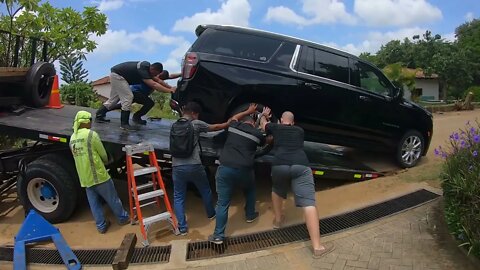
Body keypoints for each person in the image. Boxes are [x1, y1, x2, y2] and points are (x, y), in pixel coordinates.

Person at [260, 109, 334, 258]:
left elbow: (263, 125)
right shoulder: (300, 130)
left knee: (276, 190)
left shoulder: (275, 127)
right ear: (293, 122)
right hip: (300, 165)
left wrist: (264, 115)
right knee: (309, 203)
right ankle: (317, 247)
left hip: (279, 164)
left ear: (281, 120)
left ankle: (279, 220)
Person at [172, 101, 248, 235]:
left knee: (178, 196)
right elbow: (218, 126)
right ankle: (210, 214)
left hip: (177, 166)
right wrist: (234, 119)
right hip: (194, 165)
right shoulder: (195, 124)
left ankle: (182, 227)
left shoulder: (175, 125)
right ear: (194, 113)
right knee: (205, 190)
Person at [208, 104, 266, 244]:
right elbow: (266, 140)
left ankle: (218, 236)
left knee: (223, 203)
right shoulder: (257, 134)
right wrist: (263, 118)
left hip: (226, 168)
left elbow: (233, 118)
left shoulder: (234, 127)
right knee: (250, 190)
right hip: (245, 170)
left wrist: (248, 110)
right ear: (253, 123)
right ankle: (250, 215)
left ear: (243, 121)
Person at [69, 111, 129, 234]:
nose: (91, 123)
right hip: (98, 175)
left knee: (94, 204)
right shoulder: (91, 135)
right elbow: (102, 154)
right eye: (90, 120)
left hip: (85, 178)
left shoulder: (73, 138)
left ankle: (101, 226)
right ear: (85, 121)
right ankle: (123, 218)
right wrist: (107, 161)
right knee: (112, 198)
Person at [95, 61, 176, 130]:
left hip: (117, 75)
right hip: (118, 76)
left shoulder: (148, 68)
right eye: (156, 73)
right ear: (153, 69)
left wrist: (171, 88)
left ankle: (99, 115)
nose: (155, 76)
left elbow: (158, 81)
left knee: (114, 99)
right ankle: (124, 124)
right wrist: (169, 91)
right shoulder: (143, 70)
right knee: (128, 97)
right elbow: (154, 85)